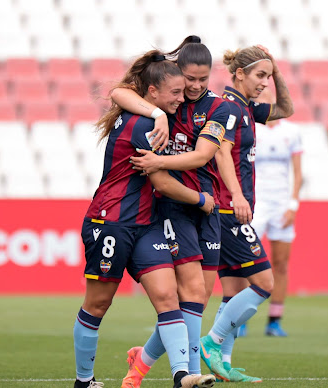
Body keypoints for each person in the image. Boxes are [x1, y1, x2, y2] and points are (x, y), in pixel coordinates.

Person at [72, 49, 215, 388]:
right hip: (112, 222)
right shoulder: (146, 125)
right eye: (176, 93)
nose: (182, 99)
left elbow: (120, 92)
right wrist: (201, 199)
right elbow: (162, 181)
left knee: (168, 296)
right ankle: (84, 381)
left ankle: (182, 374)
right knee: (98, 303)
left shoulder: (146, 113)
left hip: (145, 223)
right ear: (153, 93)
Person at [108, 36, 231, 386]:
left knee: (199, 298)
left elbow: (203, 155)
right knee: (189, 292)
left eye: (201, 80)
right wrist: (157, 111)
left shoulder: (218, 108)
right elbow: (118, 93)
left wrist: (158, 160)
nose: (192, 87)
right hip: (171, 205)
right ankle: (189, 375)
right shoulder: (169, 99)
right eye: (188, 79)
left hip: (206, 203)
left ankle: (141, 361)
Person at [199, 45, 294, 383]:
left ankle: (222, 362)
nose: (265, 82)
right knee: (264, 283)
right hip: (228, 210)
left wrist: (276, 70)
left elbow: (286, 108)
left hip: (228, 210)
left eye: (268, 76)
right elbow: (222, 152)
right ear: (239, 74)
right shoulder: (229, 109)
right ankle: (211, 342)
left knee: (234, 291)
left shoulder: (245, 108)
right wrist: (238, 196)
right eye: (260, 75)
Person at [243, 87, 303, 337]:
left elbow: (298, 173)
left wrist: (293, 205)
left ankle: (274, 320)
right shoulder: (251, 128)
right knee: (247, 260)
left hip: (280, 203)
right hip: (255, 203)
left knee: (280, 263)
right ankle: (241, 318)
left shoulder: (292, 132)